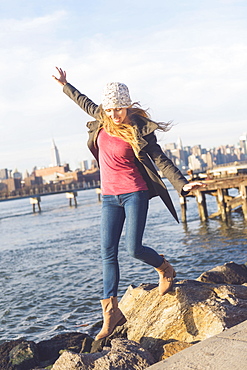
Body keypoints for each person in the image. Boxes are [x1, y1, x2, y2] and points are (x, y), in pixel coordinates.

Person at [52, 67, 204, 341]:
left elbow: (161, 161)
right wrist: (65, 84)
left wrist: (183, 185)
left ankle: (164, 267)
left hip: (135, 193)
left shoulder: (139, 130)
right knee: (107, 252)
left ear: (127, 106)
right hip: (109, 198)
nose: (113, 115)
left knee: (133, 249)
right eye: (109, 110)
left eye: (118, 109)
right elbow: (82, 100)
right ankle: (111, 312)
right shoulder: (102, 118)